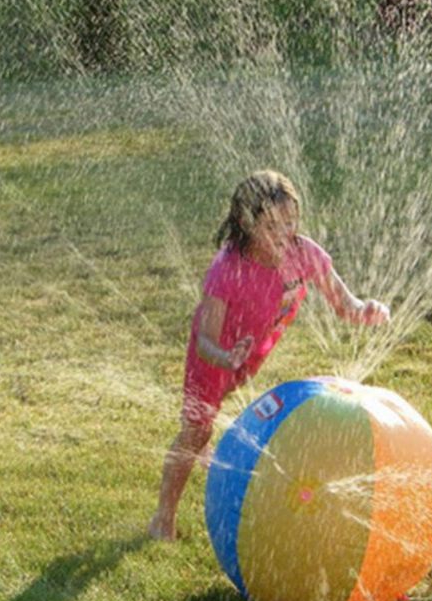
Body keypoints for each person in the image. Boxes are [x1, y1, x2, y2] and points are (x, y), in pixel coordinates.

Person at [148, 170, 390, 540]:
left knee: (213, 416)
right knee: (196, 429)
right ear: (247, 223)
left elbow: (345, 304)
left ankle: (205, 448)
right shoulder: (227, 270)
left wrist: (366, 309)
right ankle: (163, 519)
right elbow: (205, 342)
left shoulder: (303, 253)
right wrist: (226, 358)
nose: (284, 234)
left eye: (290, 222)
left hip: (254, 350)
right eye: (272, 225)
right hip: (216, 357)